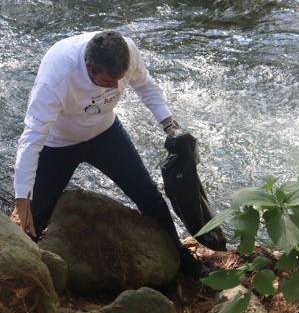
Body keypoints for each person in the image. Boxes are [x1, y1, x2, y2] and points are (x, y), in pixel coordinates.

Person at [11, 30, 208, 278]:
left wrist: (170, 126)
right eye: (107, 81)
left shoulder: (128, 52)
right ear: (89, 68)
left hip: (105, 134)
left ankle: (180, 257)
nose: (115, 86)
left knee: (149, 196)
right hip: (57, 144)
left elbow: (145, 86)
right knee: (32, 218)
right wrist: (21, 198)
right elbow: (31, 139)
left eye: (119, 79)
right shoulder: (57, 76)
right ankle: (22, 271)